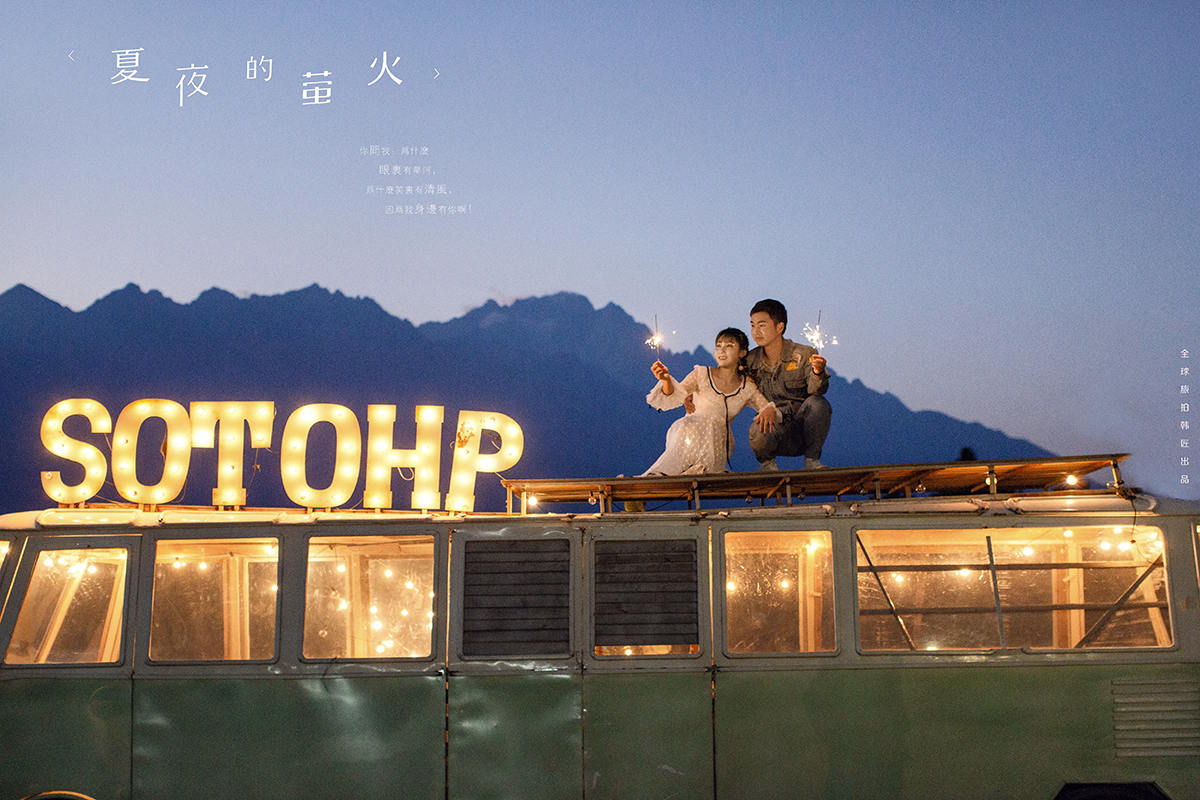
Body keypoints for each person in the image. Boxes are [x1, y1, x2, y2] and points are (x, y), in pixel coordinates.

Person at [641, 328, 779, 475]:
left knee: (711, 429)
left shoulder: (747, 387)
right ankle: (664, 475)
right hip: (688, 435)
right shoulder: (701, 374)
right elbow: (676, 395)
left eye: (729, 346)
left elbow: (767, 408)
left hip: (718, 442)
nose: (722, 350)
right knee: (684, 430)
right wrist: (666, 380)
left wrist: (769, 409)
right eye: (718, 346)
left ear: (742, 353)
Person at [744, 298, 832, 469]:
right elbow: (734, 388)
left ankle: (812, 461)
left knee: (819, 404)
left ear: (779, 327)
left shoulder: (804, 354)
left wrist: (818, 372)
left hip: (802, 429)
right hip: (772, 430)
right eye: (753, 325)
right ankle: (767, 465)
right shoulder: (750, 361)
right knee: (757, 428)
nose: (756, 331)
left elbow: (817, 390)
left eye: (762, 325)